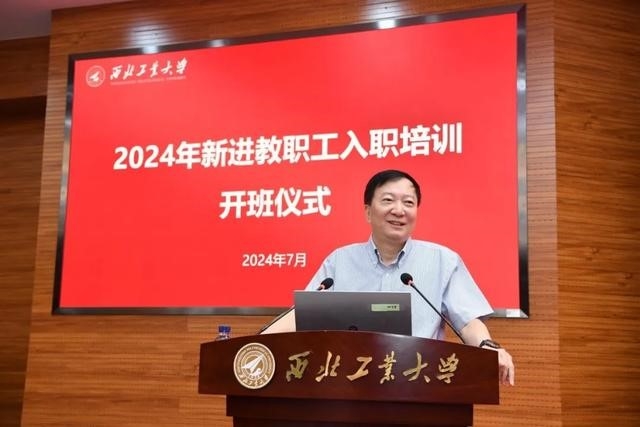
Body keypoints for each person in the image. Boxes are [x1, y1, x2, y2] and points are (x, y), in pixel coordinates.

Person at [262, 169, 515, 385]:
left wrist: (488, 346)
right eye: (388, 200)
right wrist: (258, 343)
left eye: (408, 203)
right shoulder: (339, 261)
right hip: (347, 387)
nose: (399, 210)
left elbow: (468, 322)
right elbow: (303, 316)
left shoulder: (443, 261)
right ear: (368, 211)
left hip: (419, 385)